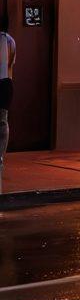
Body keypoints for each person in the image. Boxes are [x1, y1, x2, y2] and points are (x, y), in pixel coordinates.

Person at [0, 15, 14, 192]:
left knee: (3, 119)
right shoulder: (9, 40)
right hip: (6, 83)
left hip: (4, 83)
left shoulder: (8, 40)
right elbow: (11, 63)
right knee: (3, 119)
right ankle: (1, 155)